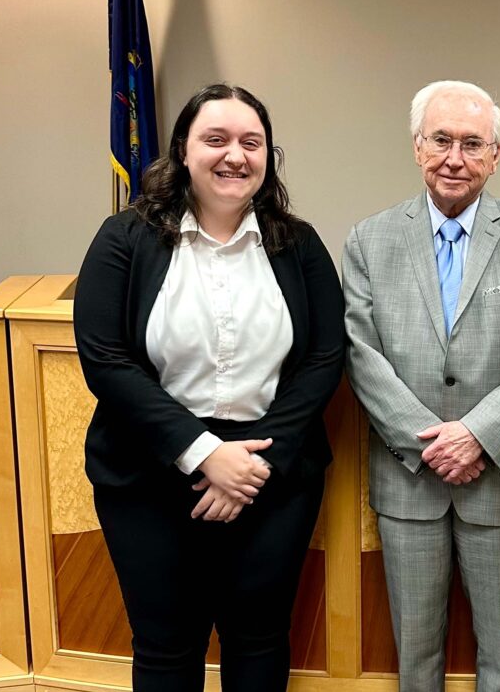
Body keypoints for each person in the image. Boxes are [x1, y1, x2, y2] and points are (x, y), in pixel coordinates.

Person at [74, 83, 344, 691]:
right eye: (215, 139)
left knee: (260, 640)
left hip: (269, 477)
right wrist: (204, 454)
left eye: (252, 142)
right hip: (149, 475)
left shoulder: (298, 244)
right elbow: (106, 359)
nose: (235, 155)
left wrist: (250, 464)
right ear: (184, 151)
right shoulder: (124, 238)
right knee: (167, 648)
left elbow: (326, 357)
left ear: (268, 157)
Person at [343, 80, 500, 692]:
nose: (454, 157)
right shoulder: (369, 240)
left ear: (496, 155)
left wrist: (479, 437)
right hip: (408, 482)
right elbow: (361, 354)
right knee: (416, 654)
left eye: (472, 143)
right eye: (440, 140)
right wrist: (431, 443)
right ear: (417, 147)